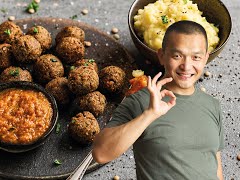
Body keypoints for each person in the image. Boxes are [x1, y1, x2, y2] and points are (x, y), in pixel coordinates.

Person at [92, 20, 224, 180]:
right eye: (177, 56)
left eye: (196, 57)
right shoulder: (140, 100)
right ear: (161, 56)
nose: (187, 66)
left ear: (205, 59)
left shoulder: (212, 105)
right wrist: (150, 114)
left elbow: (216, 168)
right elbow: (101, 153)